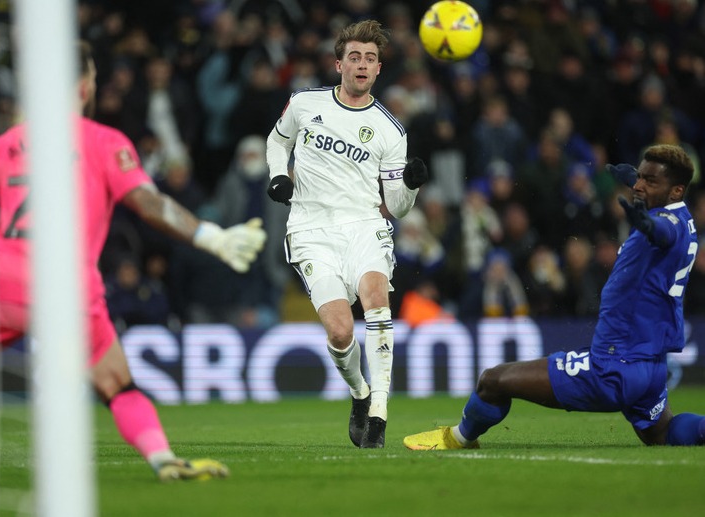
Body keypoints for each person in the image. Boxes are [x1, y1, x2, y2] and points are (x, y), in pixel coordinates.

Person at [0, 41, 267, 481]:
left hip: (1, 287)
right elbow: (149, 203)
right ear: (84, 87)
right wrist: (208, 234)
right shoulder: (103, 142)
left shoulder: (3, 145)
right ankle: (162, 458)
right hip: (68, 292)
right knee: (117, 386)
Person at [404, 144, 705, 450]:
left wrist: (648, 225)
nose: (639, 186)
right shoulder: (686, 221)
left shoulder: (666, 224)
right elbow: (667, 222)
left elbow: (663, 232)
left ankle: (459, 439)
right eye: (639, 177)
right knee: (663, 433)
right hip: (650, 365)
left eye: (650, 181)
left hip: (614, 366)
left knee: (492, 381)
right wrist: (640, 187)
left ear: (677, 190)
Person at [265, 20, 428, 448]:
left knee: (376, 295)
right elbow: (276, 141)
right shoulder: (304, 103)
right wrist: (279, 175)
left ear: (378, 70)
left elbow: (395, 206)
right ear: (339, 64)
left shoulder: (391, 131)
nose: (361, 65)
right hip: (311, 227)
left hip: (363, 225)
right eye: (354, 57)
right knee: (339, 332)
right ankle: (360, 392)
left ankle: (380, 411)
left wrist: (410, 184)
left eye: (370, 59)